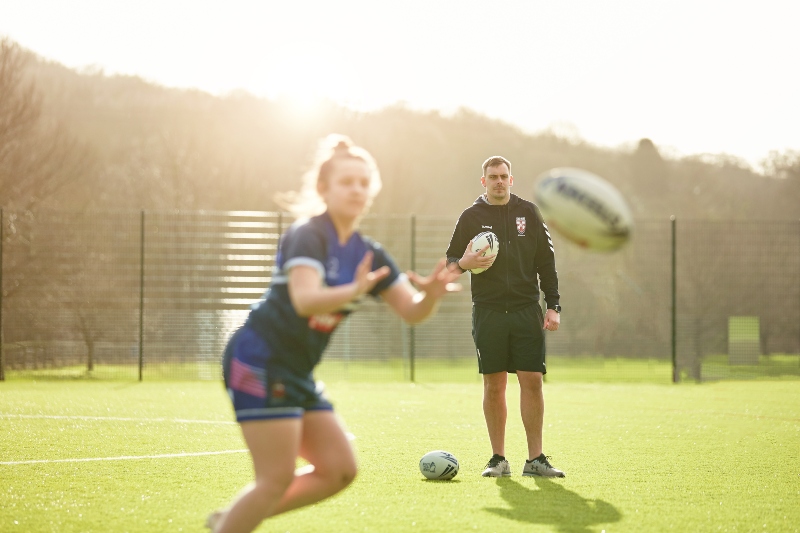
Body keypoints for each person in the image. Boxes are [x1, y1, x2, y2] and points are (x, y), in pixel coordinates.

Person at [207, 135, 462, 533]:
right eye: (347, 181)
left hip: (295, 369)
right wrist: (355, 291)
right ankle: (234, 523)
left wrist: (430, 295)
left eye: (364, 182)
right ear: (323, 188)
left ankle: (235, 520)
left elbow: (411, 312)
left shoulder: (369, 252)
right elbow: (306, 299)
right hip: (258, 359)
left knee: (339, 470)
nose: (356, 189)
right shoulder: (308, 234)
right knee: (274, 478)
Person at [445, 155, 565, 478]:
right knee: (494, 384)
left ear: (511, 180)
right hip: (489, 311)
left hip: (527, 310)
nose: (499, 181)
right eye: (492, 176)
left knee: (532, 381)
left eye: (503, 176)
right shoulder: (471, 217)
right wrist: (466, 262)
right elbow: (450, 264)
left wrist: (552, 305)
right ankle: (498, 459)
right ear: (483, 182)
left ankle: (536, 460)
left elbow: (546, 263)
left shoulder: (529, 213)